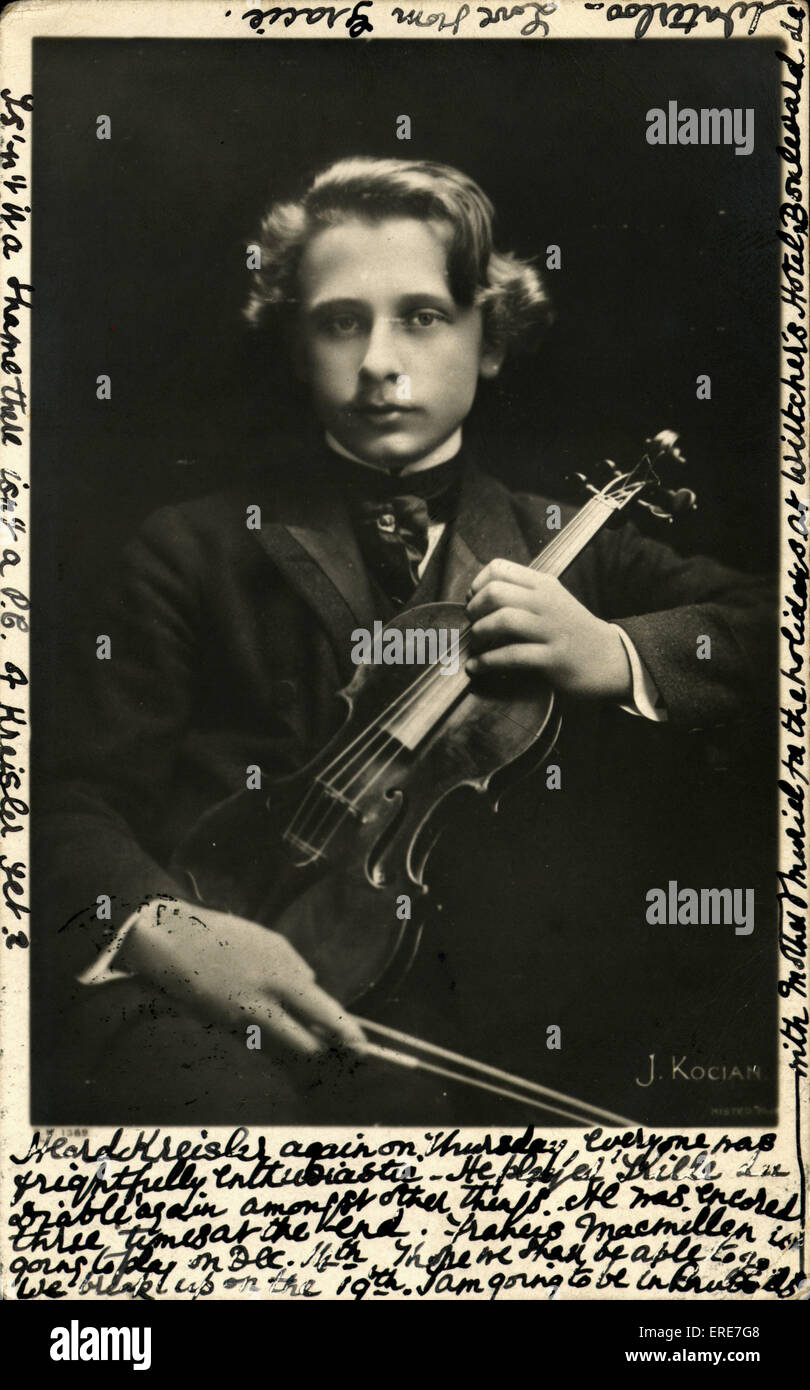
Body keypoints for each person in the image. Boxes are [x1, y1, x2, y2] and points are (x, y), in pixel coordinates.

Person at [37, 157, 773, 1124]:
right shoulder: (191, 547)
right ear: (298, 346)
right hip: (215, 997)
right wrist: (162, 922)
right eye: (342, 321)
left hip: (485, 1031)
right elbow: (68, 801)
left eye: (423, 316)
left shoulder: (574, 544)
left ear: (491, 338)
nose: (381, 358)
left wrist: (616, 654)